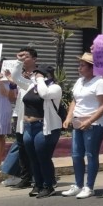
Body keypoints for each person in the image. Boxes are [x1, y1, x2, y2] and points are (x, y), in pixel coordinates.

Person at [62, 53, 103, 199]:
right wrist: (69, 117)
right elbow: (74, 100)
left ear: (92, 68)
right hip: (78, 122)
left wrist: (89, 121)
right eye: (80, 65)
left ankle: (89, 187)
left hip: (94, 124)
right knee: (76, 155)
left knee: (91, 155)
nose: (79, 68)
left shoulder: (100, 82)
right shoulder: (80, 81)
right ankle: (78, 185)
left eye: (83, 65)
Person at [21, 65, 63, 198]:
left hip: (44, 127)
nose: (35, 76)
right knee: (32, 157)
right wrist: (19, 62)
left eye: (39, 74)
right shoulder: (32, 86)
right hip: (29, 126)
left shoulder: (54, 88)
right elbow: (16, 79)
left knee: (42, 156)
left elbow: (44, 94)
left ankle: (48, 186)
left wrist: (39, 79)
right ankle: (38, 184)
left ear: (47, 75)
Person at [6, 47, 38, 190]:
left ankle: (42, 176)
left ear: (34, 59)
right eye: (21, 57)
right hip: (20, 115)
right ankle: (25, 177)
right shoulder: (20, 74)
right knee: (22, 148)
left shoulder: (40, 74)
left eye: (25, 56)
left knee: (35, 149)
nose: (22, 59)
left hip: (34, 116)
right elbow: (14, 83)